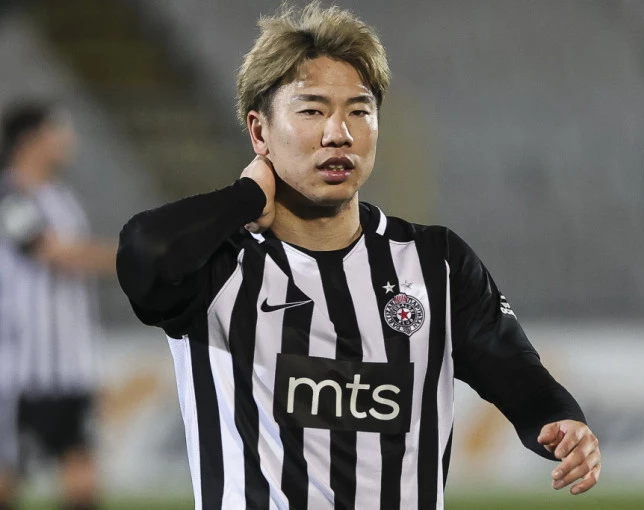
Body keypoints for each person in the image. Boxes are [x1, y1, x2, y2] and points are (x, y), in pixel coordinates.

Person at [116, 3, 601, 509]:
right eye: (312, 110)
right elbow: (145, 253)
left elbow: (518, 375)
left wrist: (562, 421)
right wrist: (246, 196)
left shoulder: (435, 263)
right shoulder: (218, 268)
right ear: (259, 132)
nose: (339, 133)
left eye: (359, 111)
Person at [0, 100, 117, 510]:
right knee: (7, 479)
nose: (66, 140)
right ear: (30, 139)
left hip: (70, 368)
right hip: (23, 371)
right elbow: (53, 252)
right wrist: (133, 259)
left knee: (82, 483)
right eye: (57, 131)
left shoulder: (61, 197)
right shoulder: (9, 196)